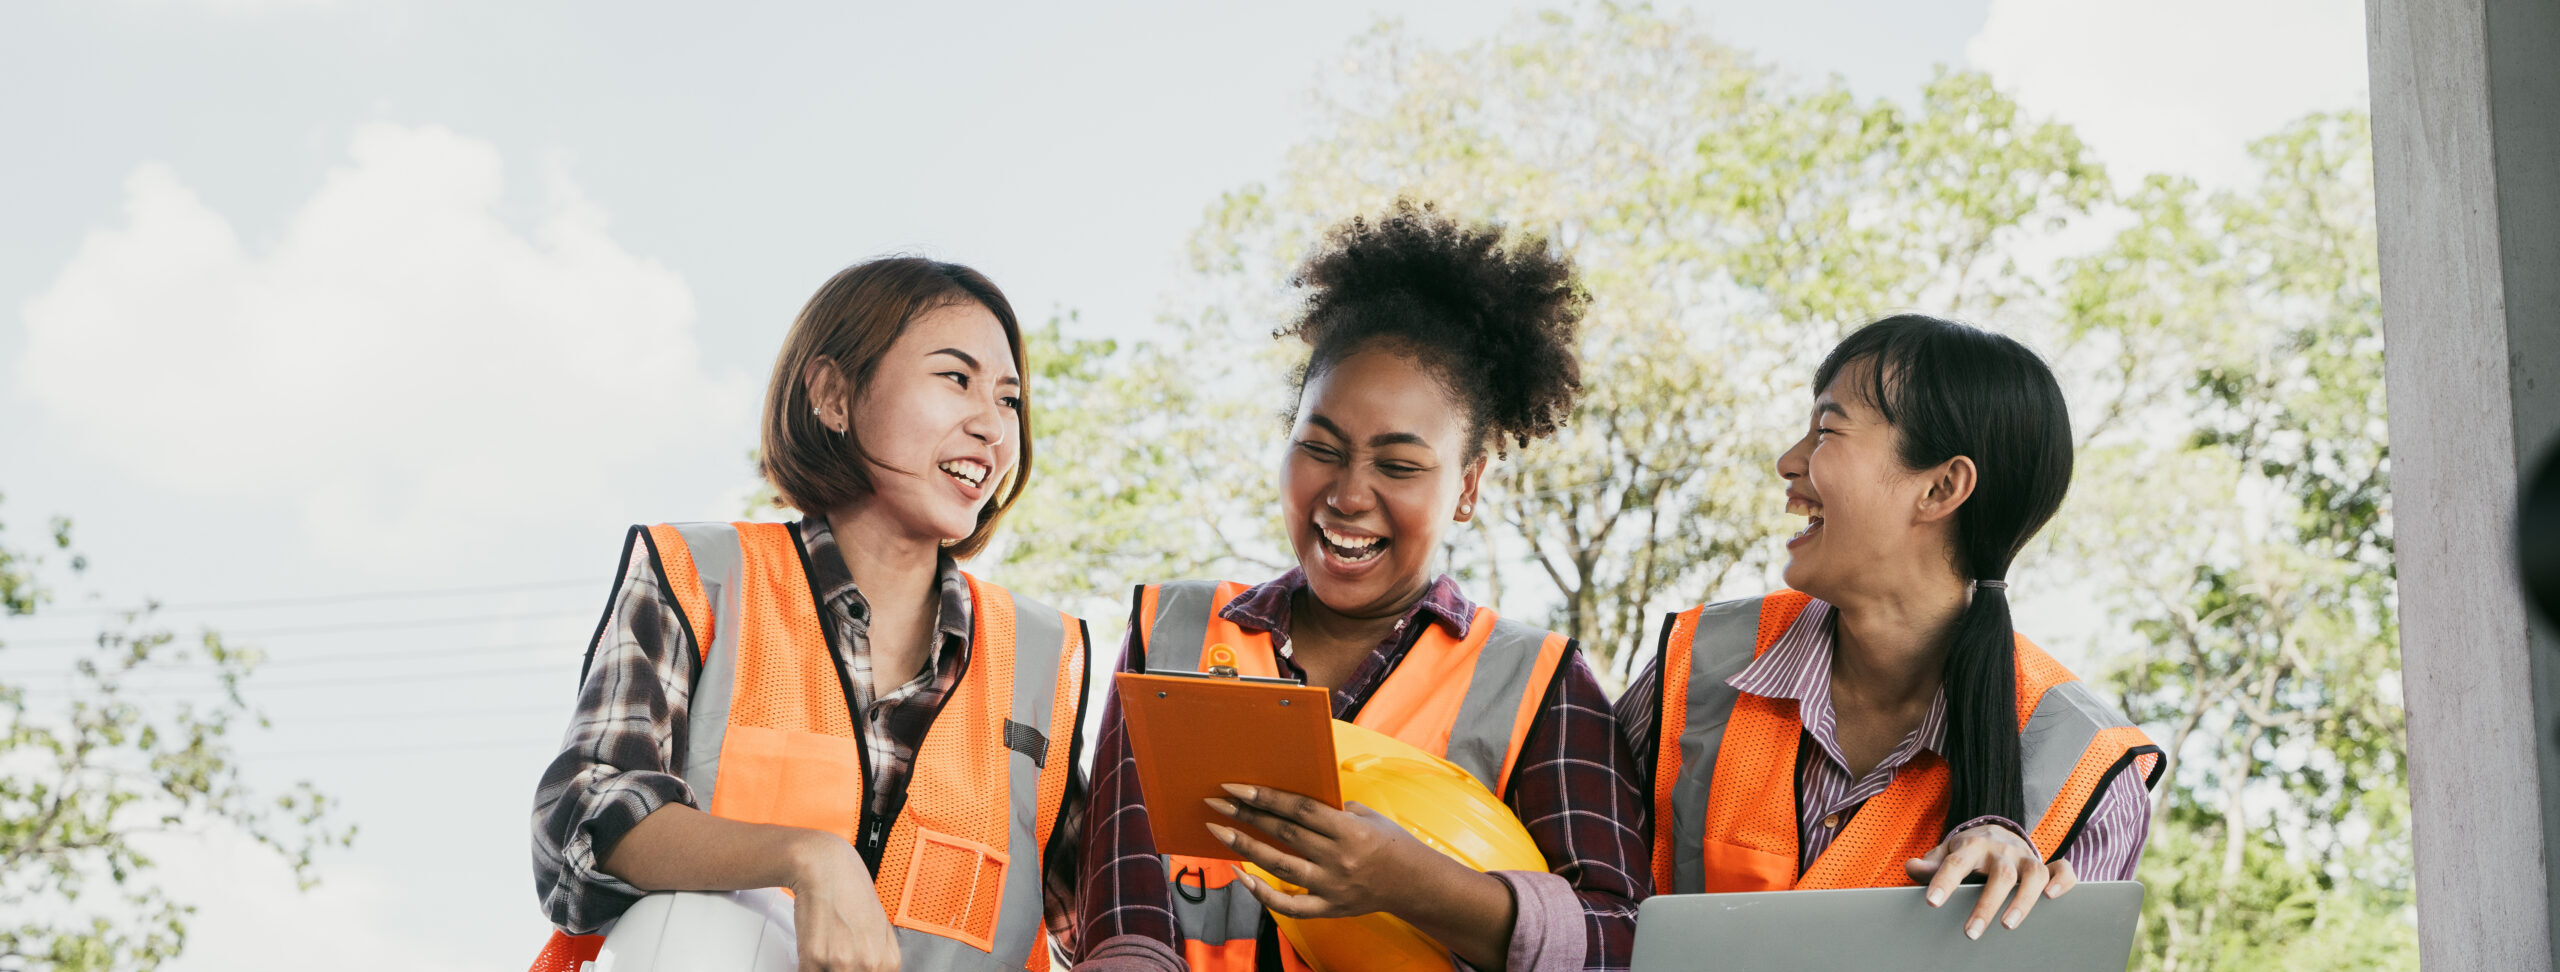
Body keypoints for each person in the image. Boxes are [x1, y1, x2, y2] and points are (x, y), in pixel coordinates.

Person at [1074, 203, 1650, 972]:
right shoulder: (1172, 633)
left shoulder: (1541, 685)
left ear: (1469, 486)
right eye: (1321, 448)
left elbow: (1620, 941)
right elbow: (1125, 915)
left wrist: (1413, 884)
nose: (1348, 494)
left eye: (1399, 465)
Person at [528, 257, 1091, 972]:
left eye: (1009, 400)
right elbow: (581, 824)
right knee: (696, 926)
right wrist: (806, 857)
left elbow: (1108, 925)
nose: (992, 426)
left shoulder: (1037, 657)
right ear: (833, 395)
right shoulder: (704, 579)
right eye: (956, 378)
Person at [1617, 314, 2161, 940]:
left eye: (1826, 430)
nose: (1789, 462)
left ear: (1940, 488)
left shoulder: (2090, 776)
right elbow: (1585, 899)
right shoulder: (1696, 663)